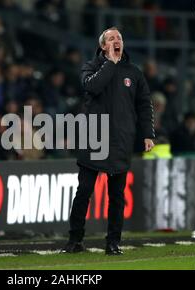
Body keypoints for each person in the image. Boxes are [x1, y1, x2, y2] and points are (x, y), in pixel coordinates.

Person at [62, 27, 155, 255]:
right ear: (103, 46)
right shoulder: (90, 67)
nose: (117, 40)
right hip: (94, 139)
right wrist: (110, 64)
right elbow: (91, 86)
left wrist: (148, 134)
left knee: (116, 197)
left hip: (121, 141)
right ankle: (75, 240)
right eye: (111, 38)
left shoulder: (133, 72)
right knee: (84, 191)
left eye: (120, 38)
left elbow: (144, 104)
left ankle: (113, 242)